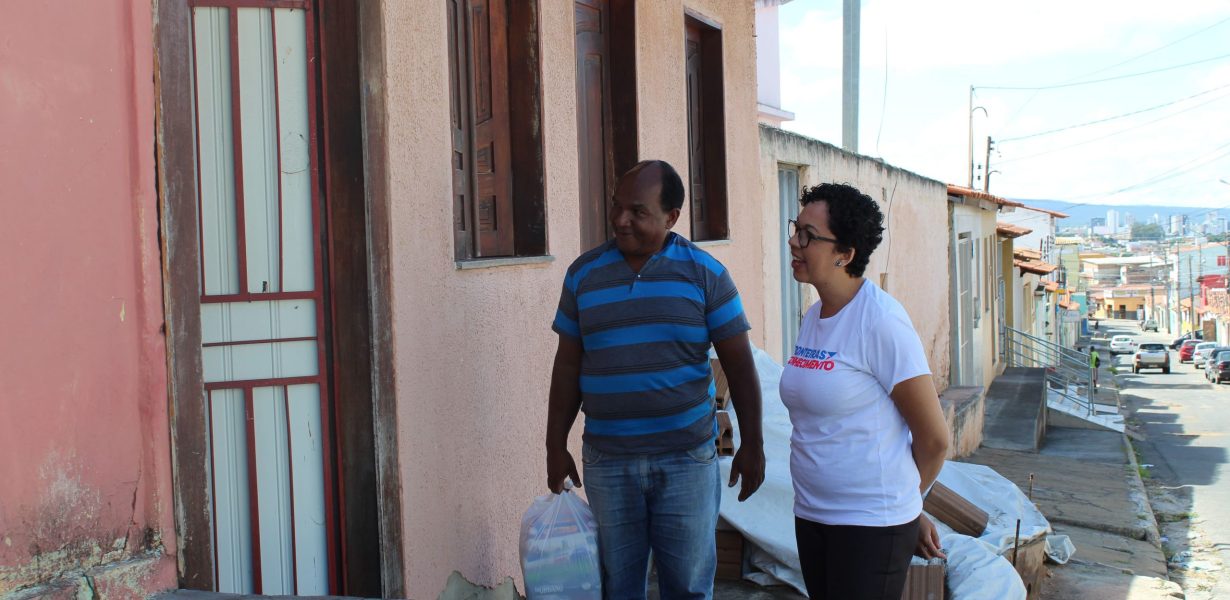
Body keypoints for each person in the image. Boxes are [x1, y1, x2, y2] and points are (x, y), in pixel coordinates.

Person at [545, 160, 765, 599]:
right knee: (617, 587)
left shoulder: (706, 275)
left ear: (672, 218)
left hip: (686, 460)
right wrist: (555, 445)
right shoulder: (583, 275)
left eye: (637, 211)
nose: (620, 220)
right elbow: (567, 365)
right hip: (609, 462)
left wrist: (753, 444)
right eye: (616, 207)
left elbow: (739, 366)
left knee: (686, 588)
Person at [779, 183, 950, 599]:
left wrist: (906, 508)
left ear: (846, 253)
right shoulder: (816, 315)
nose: (793, 242)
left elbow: (934, 440)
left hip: (871, 524)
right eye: (795, 229)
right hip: (813, 515)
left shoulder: (881, 322)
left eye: (808, 236)